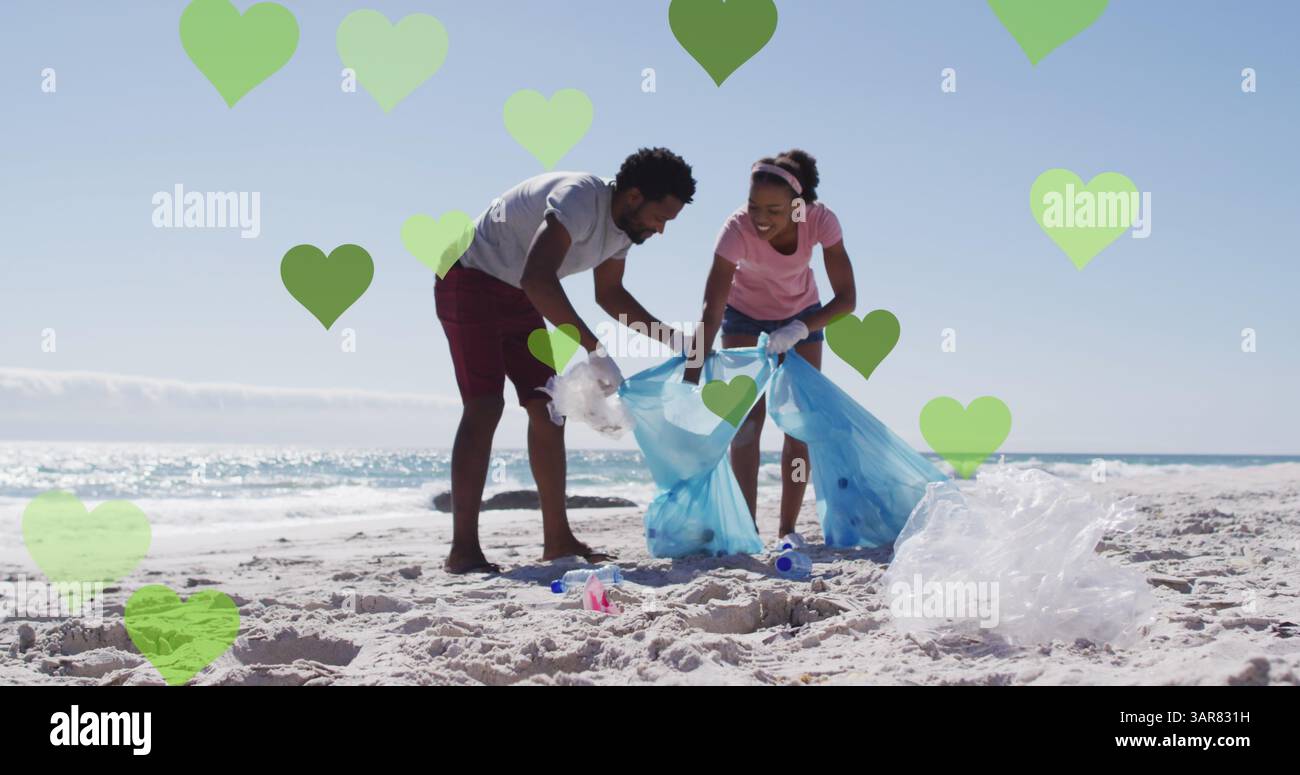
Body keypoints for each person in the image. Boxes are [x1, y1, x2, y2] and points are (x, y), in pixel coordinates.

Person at [436, 148, 697, 573]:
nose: (661, 229)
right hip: (467, 274)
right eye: (660, 217)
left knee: (548, 409)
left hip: (517, 293)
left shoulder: (623, 232)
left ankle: (557, 540)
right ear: (633, 197)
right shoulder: (580, 198)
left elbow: (609, 294)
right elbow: (538, 277)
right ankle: (463, 549)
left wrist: (676, 341)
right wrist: (594, 350)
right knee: (485, 404)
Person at [685, 149, 856, 539]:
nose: (760, 218)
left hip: (803, 316)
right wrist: (689, 378)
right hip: (743, 316)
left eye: (774, 210)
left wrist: (799, 328)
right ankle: (746, 528)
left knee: (798, 423)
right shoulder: (736, 230)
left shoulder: (820, 221)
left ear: (798, 207)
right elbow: (711, 310)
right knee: (747, 423)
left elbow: (847, 299)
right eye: (753, 206)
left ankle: (787, 530)